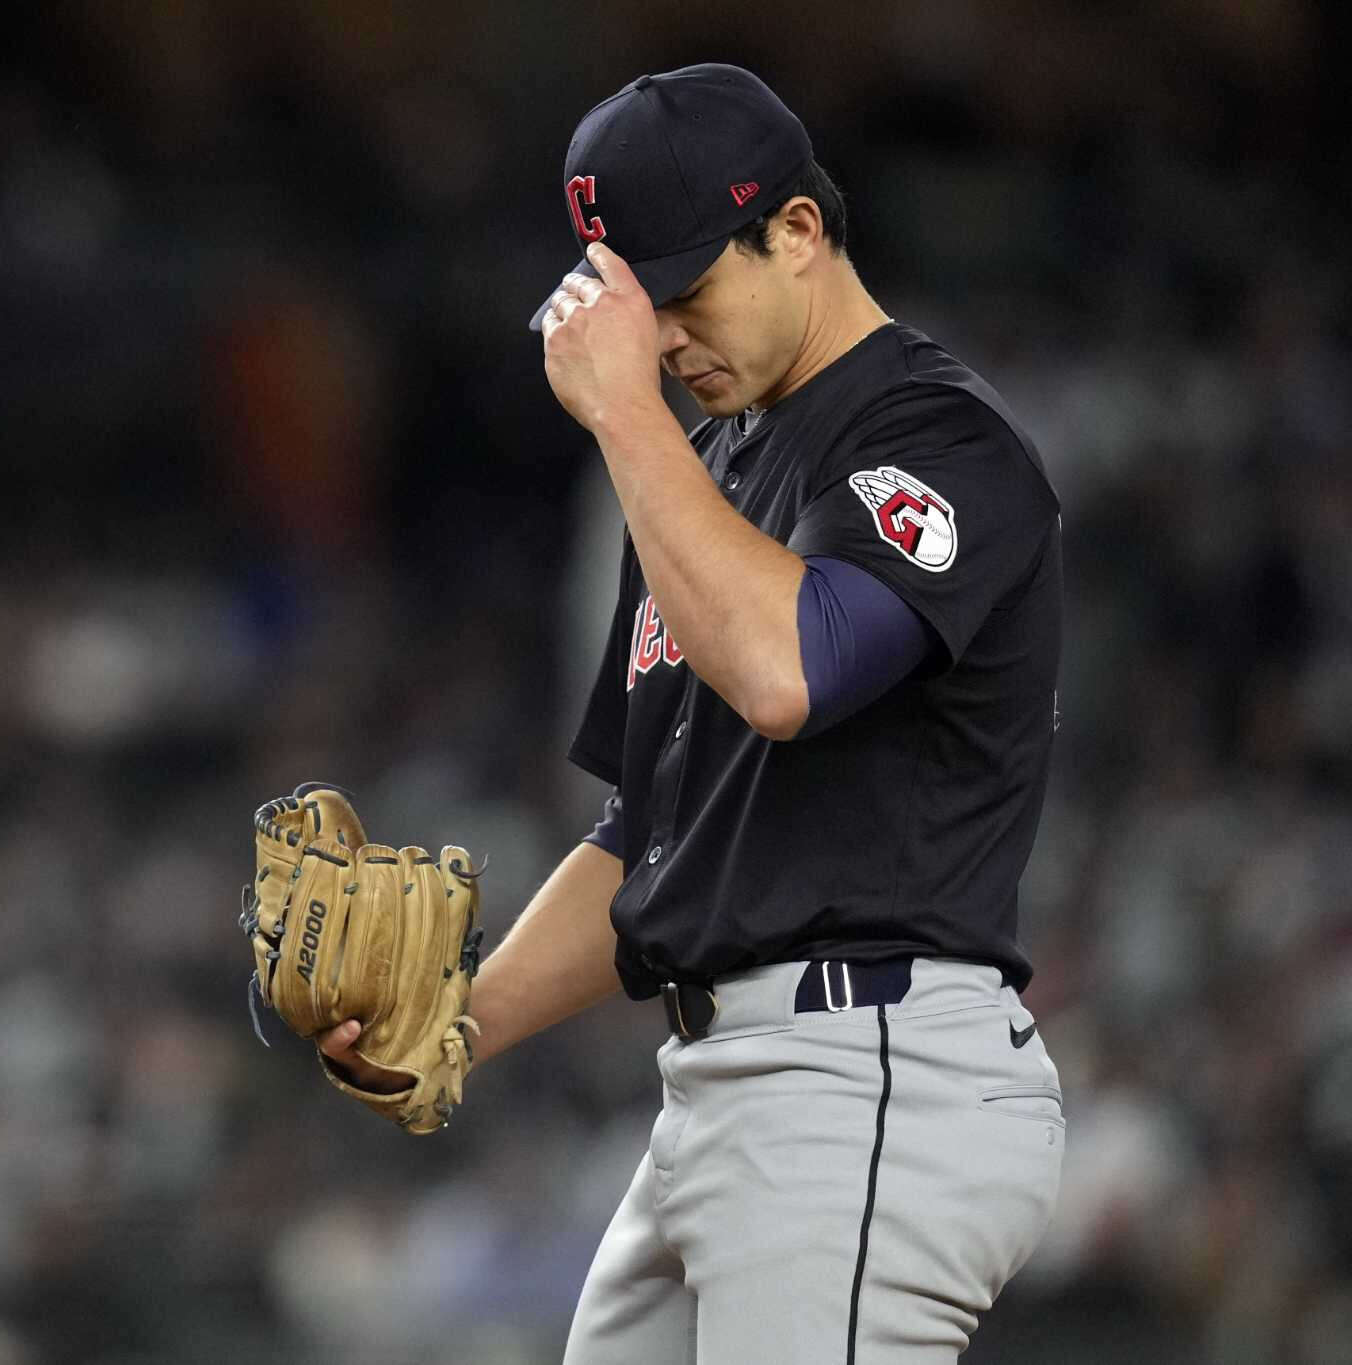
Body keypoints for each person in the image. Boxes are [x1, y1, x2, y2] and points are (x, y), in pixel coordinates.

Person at [321, 63, 1065, 1362]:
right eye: (636, 303)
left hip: (870, 1071)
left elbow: (788, 672)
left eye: (684, 292)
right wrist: (453, 1025)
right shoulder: (705, 471)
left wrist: (622, 418)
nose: (659, 339)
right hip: (723, 1090)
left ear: (797, 230)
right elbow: (648, 841)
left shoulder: (939, 434)